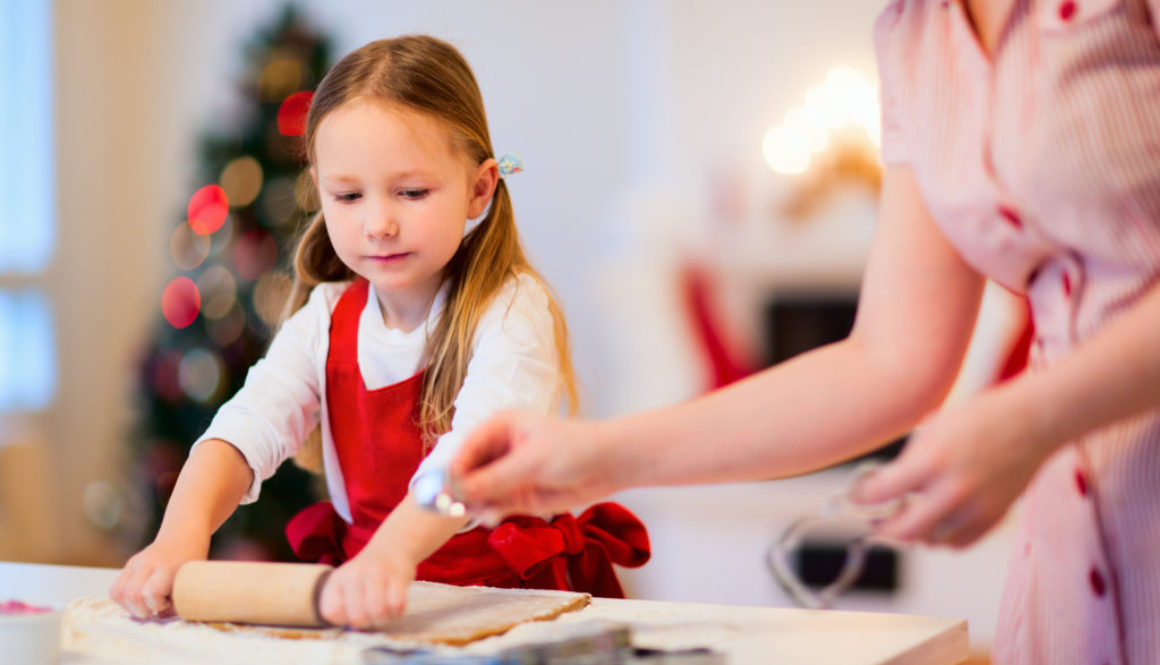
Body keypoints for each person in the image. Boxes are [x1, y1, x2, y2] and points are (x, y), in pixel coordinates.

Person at [451, 1, 1160, 663]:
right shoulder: (916, 39)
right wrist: (595, 453)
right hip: (1070, 561)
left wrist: (1032, 416)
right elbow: (888, 361)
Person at [110, 35, 649, 630]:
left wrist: (391, 553)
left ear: (479, 187)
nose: (379, 223)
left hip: (510, 607)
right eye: (348, 195)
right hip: (377, 607)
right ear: (320, 191)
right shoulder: (325, 318)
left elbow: (475, 456)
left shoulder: (513, 308)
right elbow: (245, 428)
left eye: (412, 192)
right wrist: (178, 534)